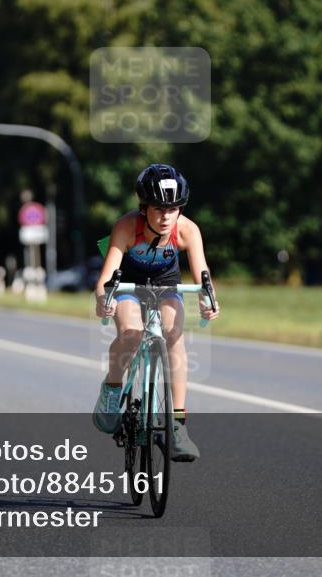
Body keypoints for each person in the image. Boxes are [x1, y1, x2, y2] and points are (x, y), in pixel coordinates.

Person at [92, 164, 220, 462]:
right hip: (128, 284)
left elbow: (203, 277)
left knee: (174, 333)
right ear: (144, 208)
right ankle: (112, 389)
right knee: (132, 333)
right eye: (159, 209)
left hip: (166, 284)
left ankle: (177, 425)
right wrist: (103, 300)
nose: (166, 217)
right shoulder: (126, 227)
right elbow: (105, 278)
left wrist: (209, 300)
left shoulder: (187, 230)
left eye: (173, 209)